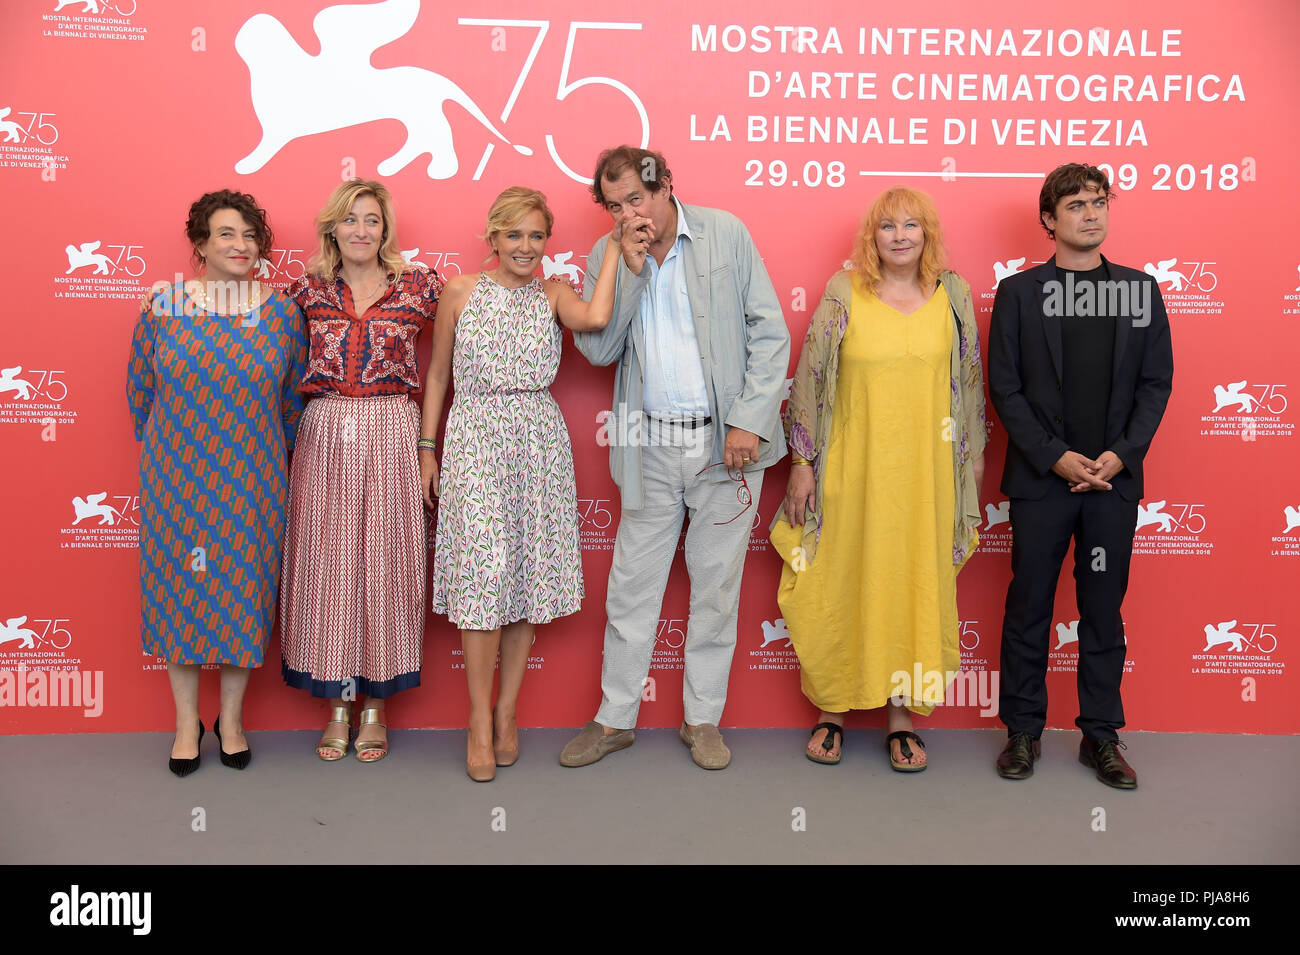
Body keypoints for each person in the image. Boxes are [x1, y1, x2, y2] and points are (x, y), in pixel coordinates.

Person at [559, 145, 790, 771]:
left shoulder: (725, 233)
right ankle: (614, 719)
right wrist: (628, 266)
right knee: (633, 587)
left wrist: (748, 420)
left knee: (716, 589)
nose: (628, 213)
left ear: (665, 188)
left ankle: (703, 719)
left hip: (725, 447)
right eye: (614, 205)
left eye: (636, 198)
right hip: (648, 446)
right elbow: (600, 351)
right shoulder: (607, 256)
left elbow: (770, 333)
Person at [770, 187, 986, 769]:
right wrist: (801, 463)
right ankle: (832, 711)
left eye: (911, 225)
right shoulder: (845, 293)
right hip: (852, 467)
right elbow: (811, 379)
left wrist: (970, 473)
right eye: (887, 226)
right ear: (872, 236)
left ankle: (901, 717)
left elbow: (969, 387)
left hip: (927, 475)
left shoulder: (953, 295)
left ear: (927, 234)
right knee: (840, 579)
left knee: (913, 583)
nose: (899, 235)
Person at [422, 186, 623, 781]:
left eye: (537, 236)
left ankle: (508, 713)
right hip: (474, 438)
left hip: (538, 442)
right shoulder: (460, 291)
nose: (527, 247)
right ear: (494, 238)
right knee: (482, 578)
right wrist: (428, 448)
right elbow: (436, 376)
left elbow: (597, 317)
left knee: (526, 578)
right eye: (515, 235)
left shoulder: (554, 294)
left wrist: (612, 247)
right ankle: (477, 721)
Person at [988, 163, 1173, 789]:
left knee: (1103, 611)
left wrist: (1120, 456)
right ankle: (1023, 732)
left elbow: (1156, 386)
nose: (1091, 214)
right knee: (1029, 606)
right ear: (1049, 219)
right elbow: (1005, 390)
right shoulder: (1018, 294)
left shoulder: (1141, 292)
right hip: (1044, 484)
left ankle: (1100, 736)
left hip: (1112, 486)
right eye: (1075, 205)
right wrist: (1056, 457)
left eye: (1099, 203)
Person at [128, 189, 307, 775]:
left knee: (243, 594)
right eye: (226, 233)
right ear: (200, 243)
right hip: (175, 477)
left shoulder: (283, 311)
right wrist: (173, 454)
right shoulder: (163, 307)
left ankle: (230, 719)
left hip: (253, 477)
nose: (241, 245)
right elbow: (141, 394)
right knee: (177, 594)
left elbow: (292, 403)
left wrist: (261, 457)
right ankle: (186, 723)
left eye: (251, 235)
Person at [279, 179, 442, 762]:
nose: (361, 231)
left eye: (372, 220)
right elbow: (244, 323)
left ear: (385, 230)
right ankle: (338, 705)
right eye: (350, 220)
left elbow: (475, 322)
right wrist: (170, 299)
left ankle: (375, 706)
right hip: (325, 432)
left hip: (393, 428)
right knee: (329, 565)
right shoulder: (304, 291)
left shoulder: (421, 288)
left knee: (387, 563)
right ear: (332, 229)